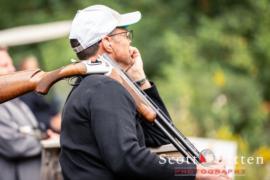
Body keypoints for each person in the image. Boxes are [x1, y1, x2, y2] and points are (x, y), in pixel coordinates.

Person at [60, 5, 230, 180]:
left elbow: (161, 136)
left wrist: (139, 79)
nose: (129, 40)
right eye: (125, 34)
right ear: (107, 43)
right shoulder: (105, 89)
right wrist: (197, 172)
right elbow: (127, 159)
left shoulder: (89, 85)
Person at [0, 47, 42, 180]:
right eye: (5, 65)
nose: (12, 69)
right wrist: (43, 140)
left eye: (11, 64)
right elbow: (16, 146)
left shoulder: (16, 101)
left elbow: (33, 130)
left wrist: (39, 135)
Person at [19, 56, 61, 133]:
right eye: (31, 69)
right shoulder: (25, 94)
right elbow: (30, 116)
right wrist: (50, 121)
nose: (35, 71)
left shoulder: (38, 88)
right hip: (45, 129)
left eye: (36, 67)